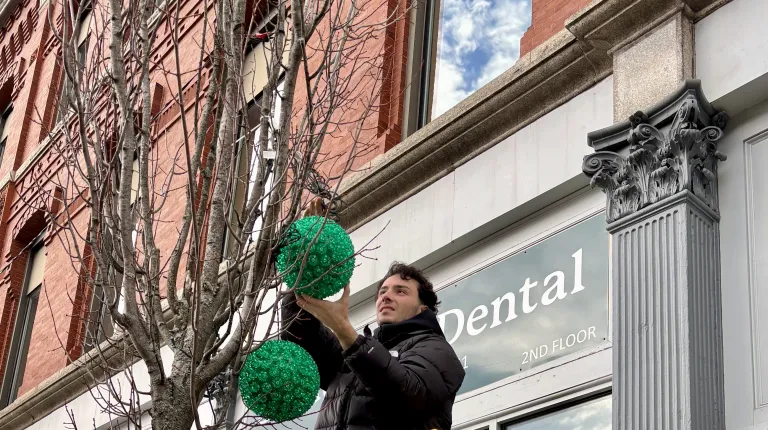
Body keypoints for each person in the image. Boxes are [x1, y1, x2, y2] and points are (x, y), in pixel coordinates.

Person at [281, 204, 465, 429]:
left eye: (401, 291)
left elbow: (409, 394)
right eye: (383, 291)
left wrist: (345, 332)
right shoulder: (356, 353)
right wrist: (306, 263)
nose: (386, 297)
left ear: (423, 308)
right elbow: (302, 341)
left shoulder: (437, 350)